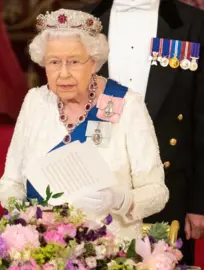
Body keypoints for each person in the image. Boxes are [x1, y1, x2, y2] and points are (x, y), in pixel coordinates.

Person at [0, 9, 169, 240]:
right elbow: (11, 182)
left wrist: (121, 199)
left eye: (74, 62)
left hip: (110, 251)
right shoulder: (35, 102)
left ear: (95, 62)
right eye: (54, 62)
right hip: (44, 249)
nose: (63, 73)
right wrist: (27, 215)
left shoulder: (127, 104)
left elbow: (157, 192)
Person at [84, 0, 204, 264]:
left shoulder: (194, 23)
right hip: (96, 188)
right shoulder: (85, 19)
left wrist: (199, 203)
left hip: (170, 188)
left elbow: (201, 117)